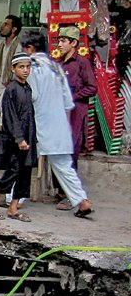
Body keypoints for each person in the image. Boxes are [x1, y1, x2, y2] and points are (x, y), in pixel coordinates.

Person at [21, 30, 93, 218]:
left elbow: (31, 96)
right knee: (63, 165)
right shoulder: (56, 67)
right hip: (58, 123)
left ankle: (13, 199)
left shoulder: (31, 67)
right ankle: (81, 200)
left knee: (20, 161)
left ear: (30, 48)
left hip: (39, 122)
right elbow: (68, 102)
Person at [0, 53, 37, 222]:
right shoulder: (11, 89)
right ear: (13, 69)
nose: (25, 70)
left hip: (27, 136)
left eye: (28, 67)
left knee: (24, 173)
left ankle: (13, 207)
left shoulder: (27, 88)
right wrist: (19, 138)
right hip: (15, 138)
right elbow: (10, 117)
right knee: (13, 171)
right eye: (21, 67)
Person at [54, 25, 97, 210]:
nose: (60, 44)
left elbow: (92, 87)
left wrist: (72, 96)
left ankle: (70, 195)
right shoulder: (60, 63)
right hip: (60, 112)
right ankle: (60, 191)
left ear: (73, 43)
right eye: (59, 41)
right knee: (58, 149)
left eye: (64, 41)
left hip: (76, 112)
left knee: (71, 150)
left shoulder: (82, 62)